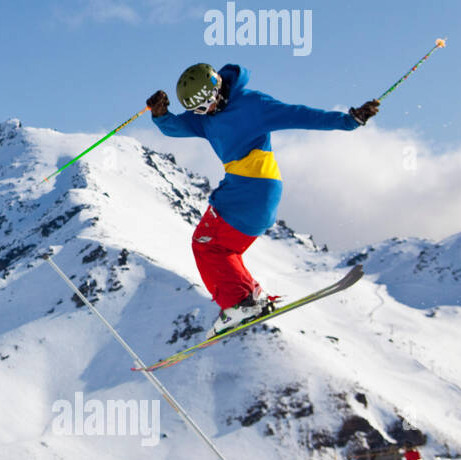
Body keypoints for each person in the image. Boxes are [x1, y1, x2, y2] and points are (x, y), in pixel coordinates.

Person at [147, 64, 379, 335]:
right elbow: (178, 127)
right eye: (198, 110)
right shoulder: (207, 116)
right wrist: (161, 115)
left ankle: (239, 303)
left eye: (206, 104)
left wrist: (349, 120)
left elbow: (300, 115)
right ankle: (248, 297)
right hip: (245, 188)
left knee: (206, 244)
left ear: (217, 89)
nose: (205, 112)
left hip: (252, 187)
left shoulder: (251, 105)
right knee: (222, 249)